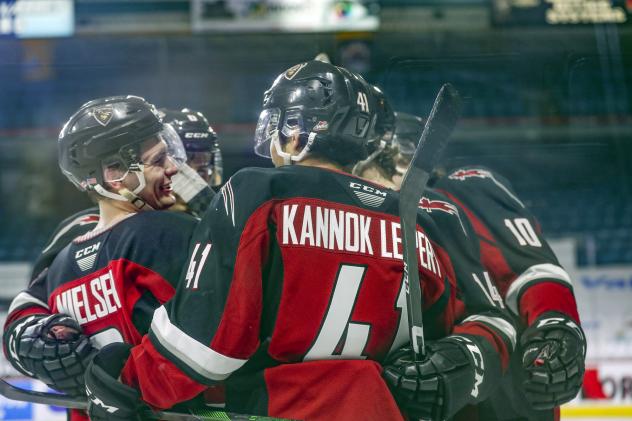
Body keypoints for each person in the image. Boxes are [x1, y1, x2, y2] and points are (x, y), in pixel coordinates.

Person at [82, 60, 516, 421]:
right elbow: (483, 328)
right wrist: (458, 362)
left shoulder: (258, 192)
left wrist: (124, 384)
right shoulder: (424, 219)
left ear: (293, 132)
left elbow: (203, 351)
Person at [357, 98, 585, 420]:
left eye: (366, 164)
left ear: (396, 156)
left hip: (496, 400)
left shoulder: (460, 189)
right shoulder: (370, 220)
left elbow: (530, 267)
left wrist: (555, 325)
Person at [2, 96, 200, 421]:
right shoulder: (168, 233)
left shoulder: (61, 264)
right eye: (159, 159)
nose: (174, 168)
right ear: (115, 173)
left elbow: (27, 314)